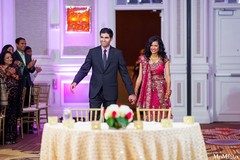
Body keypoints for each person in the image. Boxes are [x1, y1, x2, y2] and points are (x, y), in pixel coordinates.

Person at [70, 28, 136, 112]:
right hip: (95, 91)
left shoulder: (117, 53)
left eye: (106, 37)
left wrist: (131, 92)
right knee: (94, 119)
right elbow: (84, 69)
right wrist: (75, 81)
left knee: (109, 120)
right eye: (101, 37)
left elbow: (124, 74)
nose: (103, 40)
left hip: (110, 92)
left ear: (111, 39)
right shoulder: (92, 52)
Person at [134, 35, 172, 118]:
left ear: (159, 47)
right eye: (151, 45)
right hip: (147, 90)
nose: (153, 48)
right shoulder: (144, 59)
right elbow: (140, 77)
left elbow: (168, 76)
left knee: (161, 112)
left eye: (156, 45)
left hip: (161, 89)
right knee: (149, 113)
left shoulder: (164, 59)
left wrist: (168, 91)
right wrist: (135, 91)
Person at [0, 51, 22, 144]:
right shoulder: (0, 67)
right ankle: (2, 137)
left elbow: (18, 78)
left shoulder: (15, 67)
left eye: (11, 57)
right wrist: (6, 73)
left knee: (12, 116)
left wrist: (11, 73)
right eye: (7, 58)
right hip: (3, 94)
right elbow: (2, 79)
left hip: (14, 95)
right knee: (5, 115)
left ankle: (11, 137)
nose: (10, 59)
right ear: (3, 59)